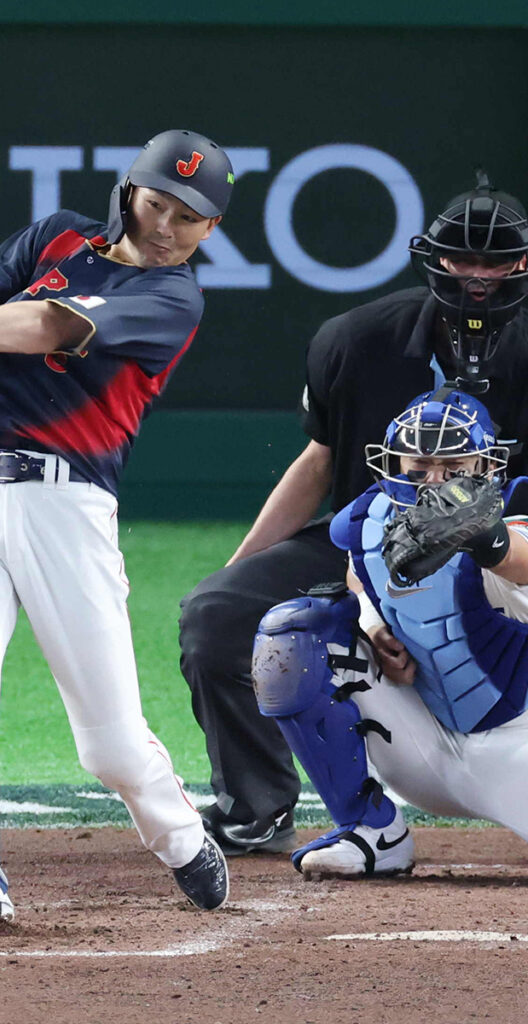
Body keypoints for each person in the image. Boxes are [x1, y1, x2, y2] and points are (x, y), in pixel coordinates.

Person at [0, 130, 235, 929]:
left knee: (110, 747)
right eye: (156, 203)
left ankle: (179, 833)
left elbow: (50, 326)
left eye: (188, 216)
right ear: (129, 193)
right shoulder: (56, 236)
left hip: (68, 513)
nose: (166, 226)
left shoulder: (173, 300)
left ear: (211, 228)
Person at [177, 173, 528, 856]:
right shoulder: (358, 340)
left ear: (521, 265)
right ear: (435, 258)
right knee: (217, 614)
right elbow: (319, 462)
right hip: (373, 543)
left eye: (496, 262)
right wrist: (240, 570)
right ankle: (259, 808)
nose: (478, 278)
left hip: (503, 554)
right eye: (464, 259)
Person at [251, 388, 528, 878]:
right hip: (425, 748)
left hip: (517, 749)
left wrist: (484, 537)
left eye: (453, 466)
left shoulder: (512, 512)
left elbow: (520, 558)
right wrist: (374, 625)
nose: (434, 480)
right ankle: (373, 831)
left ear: (487, 466)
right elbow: (360, 571)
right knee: (292, 633)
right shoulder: (369, 520)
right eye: (420, 465)